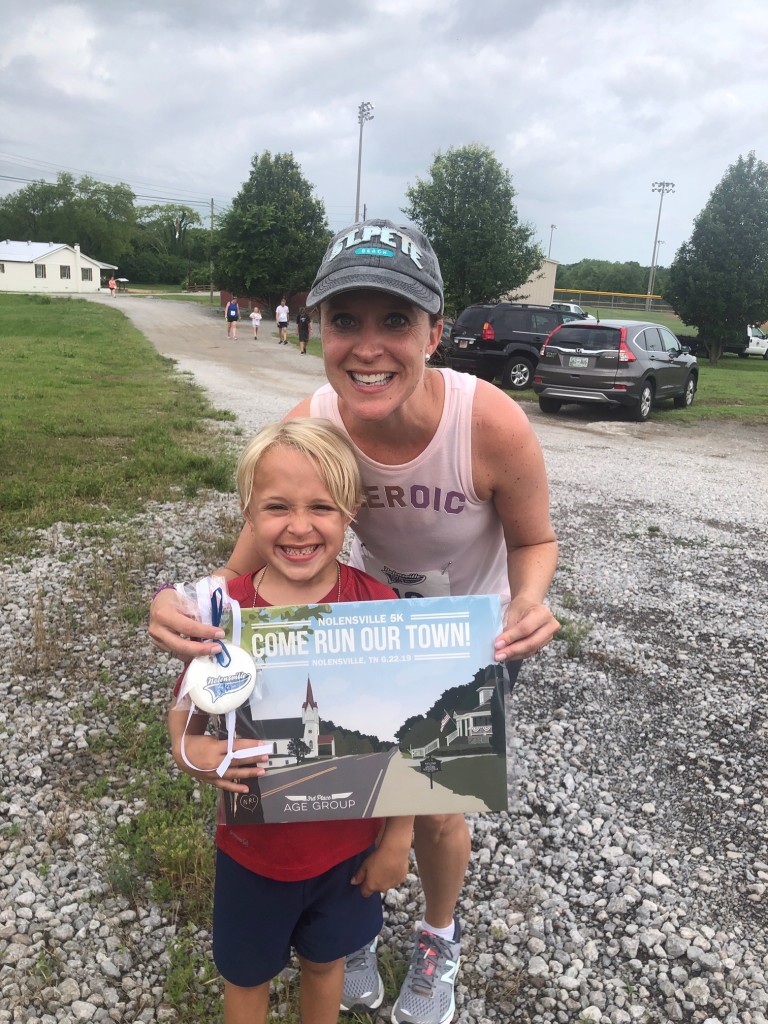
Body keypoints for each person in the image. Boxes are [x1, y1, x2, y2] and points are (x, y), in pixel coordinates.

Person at [149, 218, 560, 1024]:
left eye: (395, 320)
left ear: (434, 333)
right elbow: (242, 565)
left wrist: (528, 599)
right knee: (348, 773)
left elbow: (535, 539)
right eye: (345, 320)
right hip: (358, 625)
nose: (368, 347)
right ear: (319, 331)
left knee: (434, 800)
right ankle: (348, 922)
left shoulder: (489, 422)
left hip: (460, 635)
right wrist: (175, 600)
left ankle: (438, 935)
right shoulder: (314, 420)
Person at [167, 418, 414, 1024]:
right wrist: (192, 753)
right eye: (277, 507)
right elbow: (185, 714)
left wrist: (398, 838)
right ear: (248, 515)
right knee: (246, 977)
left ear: (351, 512)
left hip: (349, 850)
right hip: (253, 852)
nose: (299, 527)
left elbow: (404, 731)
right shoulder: (225, 611)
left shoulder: (379, 606)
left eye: (321, 507)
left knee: (327, 964)